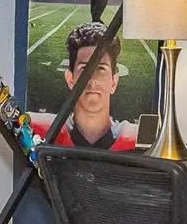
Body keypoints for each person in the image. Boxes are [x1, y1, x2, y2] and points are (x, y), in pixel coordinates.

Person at [55, 22, 137, 150]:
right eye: (84, 69)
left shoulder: (133, 140)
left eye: (100, 68)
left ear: (114, 81)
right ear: (70, 79)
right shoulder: (50, 134)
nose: (92, 79)